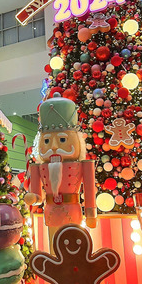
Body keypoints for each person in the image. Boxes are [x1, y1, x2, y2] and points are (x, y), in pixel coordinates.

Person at [25, 94, 97, 246]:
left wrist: (91, 214)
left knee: (74, 246)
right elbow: (37, 196)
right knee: (54, 245)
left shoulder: (84, 164)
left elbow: (90, 189)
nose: (54, 147)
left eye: (63, 139)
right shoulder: (38, 167)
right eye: (47, 141)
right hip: (51, 212)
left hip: (73, 212)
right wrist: (33, 198)